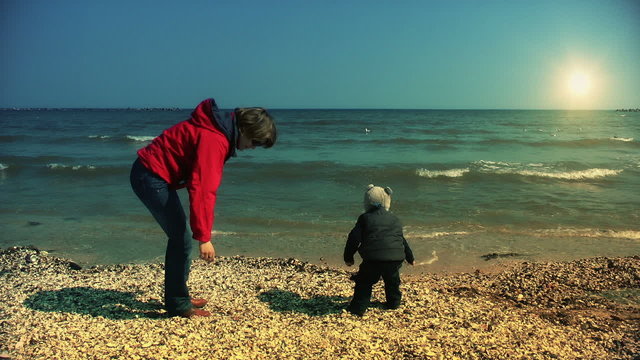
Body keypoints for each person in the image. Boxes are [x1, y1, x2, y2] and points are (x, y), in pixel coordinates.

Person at [130, 98, 277, 318]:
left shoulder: (218, 130)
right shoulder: (215, 139)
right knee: (181, 238)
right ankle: (178, 305)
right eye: (254, 141)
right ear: (244, 129)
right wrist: (204, 237)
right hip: (150, 176)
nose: (252, 147)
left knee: (181, 237)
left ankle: (180, 296)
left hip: (152, 174)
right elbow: (202, 190)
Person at [343, 184, 415, 316]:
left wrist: (348, 257)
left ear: (367, 201)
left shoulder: (365, 218)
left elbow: (354, 238)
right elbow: (401, 240)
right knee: (392, 281)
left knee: (364, 282)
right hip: (395, 259)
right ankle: (393, 303)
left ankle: (358, 308)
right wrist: (410, 258)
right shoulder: (394, 219)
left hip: (372, 260)